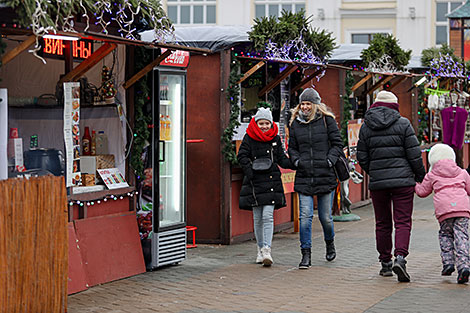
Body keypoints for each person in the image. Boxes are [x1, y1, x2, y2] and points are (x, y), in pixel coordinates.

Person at [357, 90, 425, 282]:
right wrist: (420, 176)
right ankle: (400, 258)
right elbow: (414, 154)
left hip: (378, 183)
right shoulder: (403, 124)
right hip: (403, 181)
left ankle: (385, 263)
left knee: (382, 223)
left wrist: (375, 171)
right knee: (403, 221)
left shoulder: (366, 126)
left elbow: (362, 157)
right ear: (395, 106)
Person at [288, 88, 344, 269]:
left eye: (308, 104)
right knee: (305, 217)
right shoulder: (295, 124)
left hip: (325, 175)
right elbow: (292, 148)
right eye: (302, 104)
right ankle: (306, 254)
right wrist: (296, 160)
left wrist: (329, 160)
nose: (304, 107)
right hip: (304, 175)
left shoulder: (327, 121)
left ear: (315, 105)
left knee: (326, 218)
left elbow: (337, 144)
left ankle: (330, 242)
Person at [237, 107, 294, 266]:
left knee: (268, 216)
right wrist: (250, 172)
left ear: (271, 123)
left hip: (271, 182)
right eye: (261, 123)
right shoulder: (249, 138)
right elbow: (241, 156)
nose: (264, 126)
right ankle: (260, 249)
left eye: (266, 123)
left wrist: (295, 163)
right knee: (257, 218)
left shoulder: (275, 138)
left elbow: (282, 159)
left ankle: (267, 250)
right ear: (256, 123)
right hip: (254, 182)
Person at [415, 143, 470, 284]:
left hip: (444, 211)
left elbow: (422, 192)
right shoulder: (463, 172)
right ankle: (464, 266)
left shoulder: (432, 175)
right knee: (461, 236)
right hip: (463, 209)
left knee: (445, 234)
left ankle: (448, 263)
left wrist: (414, 183)